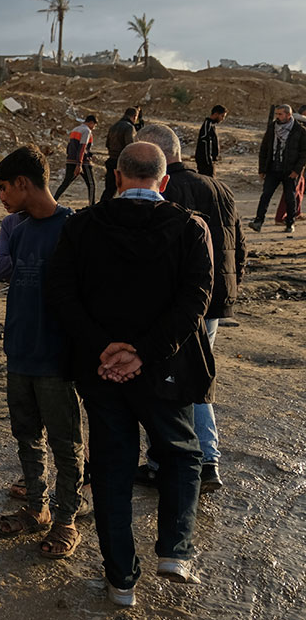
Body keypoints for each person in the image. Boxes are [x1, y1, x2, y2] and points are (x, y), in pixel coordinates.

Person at [48, 141, 214, 608]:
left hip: (100, 371)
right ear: (164, 181)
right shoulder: (190, 228)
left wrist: (106, 348)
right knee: (182, 454)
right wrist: (143, 353)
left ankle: (121, 580)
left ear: (117, 177)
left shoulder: (81, 226)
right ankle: (175, 552)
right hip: (167, 370)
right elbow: (195, 302)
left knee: (112, 468)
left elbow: (60, 294)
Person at [135, 124, 245, 493]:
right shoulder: (219, 187)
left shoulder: (163, 191)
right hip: (215, 300)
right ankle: (207, 461)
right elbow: (239, 246)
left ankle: (161, 461)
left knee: (166, 380)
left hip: (179, 303)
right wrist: (229, 290)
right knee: (197, 376)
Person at [0, 146, 83, 559]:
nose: (3, 197)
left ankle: (66, 520)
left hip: (56, 359)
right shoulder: (19, 229)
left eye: (5, 188)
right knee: (26, 435)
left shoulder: (74, 229)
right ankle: (37, 508)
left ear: (23, 184)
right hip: (20, 354)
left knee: (65, 444)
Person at [252, 104, 306, 234]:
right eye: (277, 114)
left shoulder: (299, 130)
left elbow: (304, 153)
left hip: (290, 170)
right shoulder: (272, 128)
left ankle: (290, 223)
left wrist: (297, 170)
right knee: (265, 195)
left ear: (288, 115)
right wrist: (262, 169)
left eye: (280, 114)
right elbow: (264, 149)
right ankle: (258, 221)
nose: (278, 117)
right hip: (273, 168)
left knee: (290, 198)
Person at [53, 115, 97, 206]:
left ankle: (53, 201)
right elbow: (82, 148)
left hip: (70, 160)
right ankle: (92, 206)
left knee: (65, 183)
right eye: (94, 125)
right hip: (82, 162)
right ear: (91, 122)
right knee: (91, 184)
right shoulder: (86, 131)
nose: (94, 128)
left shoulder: (75, 129)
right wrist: (79, 164)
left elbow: (70, 146)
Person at [101, 107, 138, 203]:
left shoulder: (114, 126)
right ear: (134, 116)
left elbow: (107, 144)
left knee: (109, 190)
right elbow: (130, 146)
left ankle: (100, 211)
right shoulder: (129, 127)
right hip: (122, 163)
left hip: (111, 160)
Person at [194, 105, 227, 177]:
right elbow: (205, 144)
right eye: (222, 116)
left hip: (209, 161)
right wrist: (208, 162)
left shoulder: (211, 125)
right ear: (215, 114)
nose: (222, 119)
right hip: (205, 161)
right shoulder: (207, 125)